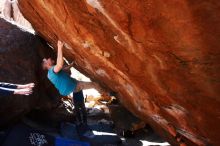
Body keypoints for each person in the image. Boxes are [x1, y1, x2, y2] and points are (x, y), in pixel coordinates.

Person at [42, 40, 104, 125]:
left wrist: (72, 64)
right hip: (73, 86)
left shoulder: (50, 74)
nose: (49, 58)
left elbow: (63, 69)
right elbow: (59, 65)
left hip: (68, 88)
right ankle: (105, 93)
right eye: (47, 59)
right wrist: (60, 48)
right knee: (94, 84)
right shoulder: (53, 71)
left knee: (78, 102)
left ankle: (80, 120)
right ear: (46, 64)